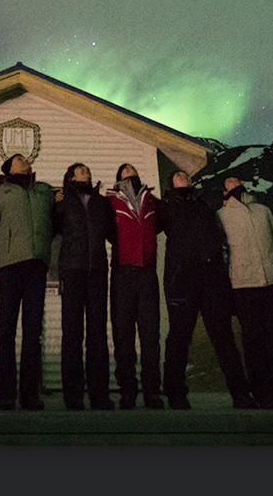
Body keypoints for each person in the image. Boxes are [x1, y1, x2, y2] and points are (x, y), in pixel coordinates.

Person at [161, 170, 256, 410]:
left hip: (212, 277)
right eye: (177, 174)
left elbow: (231, 209)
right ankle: (176, 394)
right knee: (180, 338)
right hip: (182, 278)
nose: (182, 175)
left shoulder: (204, 201)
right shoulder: (166, 206)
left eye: (185, 174)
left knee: (223, 337)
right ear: (171, 183)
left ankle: (241, 394)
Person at [216, 175, 273, 409]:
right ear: (224, 191)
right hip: (243, 286)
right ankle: (263, 394)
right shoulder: (222, 216)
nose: (232, 182)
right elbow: (222, 254)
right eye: (228, 181)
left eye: (235, 179)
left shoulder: (263, 210)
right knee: (253, 342)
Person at [0, 153, 54, 410]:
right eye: (19, 158)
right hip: (10, 266)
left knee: (33, 334)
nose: (25, 160)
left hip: (37, 266)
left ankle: (29, 395)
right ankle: (6, 394)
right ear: (9, 167)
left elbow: (55, 221)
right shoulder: (1, 193)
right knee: (6, 332)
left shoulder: (44, 191)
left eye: (26, 158)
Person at [52, 162, 116, 411]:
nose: (87, 172)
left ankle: (99, 395)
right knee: (72, 334)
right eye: (81, 170)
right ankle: (73, 396)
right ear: (70, 176)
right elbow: (53, 226)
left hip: (98, 271)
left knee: (98, 334)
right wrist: (56, 202)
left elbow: (112, 231)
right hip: (72, 270)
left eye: (88, 170)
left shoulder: (101, 202)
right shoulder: (63, 200)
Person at [107, 162, 163, 409]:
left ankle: (152, 392)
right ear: (119, 177)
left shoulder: (152, 200)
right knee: (124, 336)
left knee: (151, 336)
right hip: (122, 273)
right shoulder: (111, 201)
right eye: (125, 169)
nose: (130, 169)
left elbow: (162, 223)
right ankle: (128, 391)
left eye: (133, 168)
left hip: (147, 273)